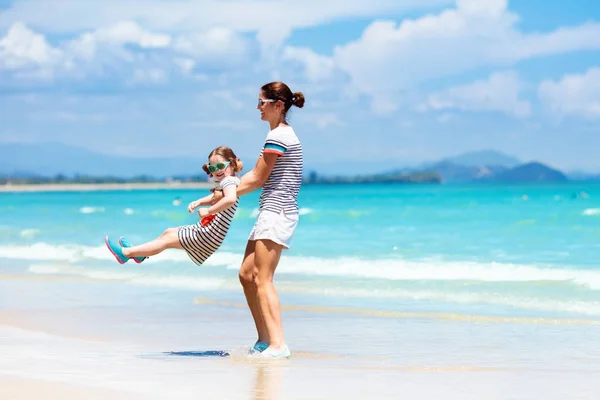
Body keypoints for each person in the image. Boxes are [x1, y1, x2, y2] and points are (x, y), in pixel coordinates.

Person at [212, 81, 304, 358]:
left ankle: (278, 344)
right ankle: (264, 340)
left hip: (277, 213)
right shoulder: (277, 135)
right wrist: (223, 191)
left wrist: (221, 193)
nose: (257, 107)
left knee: (263, 278)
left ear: (278, 106)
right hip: (270, 211)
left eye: (262, 102)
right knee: (246, 275)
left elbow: (256, 178)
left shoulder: (280, 137)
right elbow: (255, 176)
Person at [104, 146, 243, 266]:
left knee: (167, 240)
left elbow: (229, 199)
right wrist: (200, 202)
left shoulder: (228, 181)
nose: (217, 171)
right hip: (212, 234)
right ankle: (139, 253)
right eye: (213, 168)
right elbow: (220, 197)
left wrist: (208, 211)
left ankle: (126, 253)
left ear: (231, 163)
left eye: (220, 166)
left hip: (209, 234)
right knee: (169, 232)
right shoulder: (231, 181)